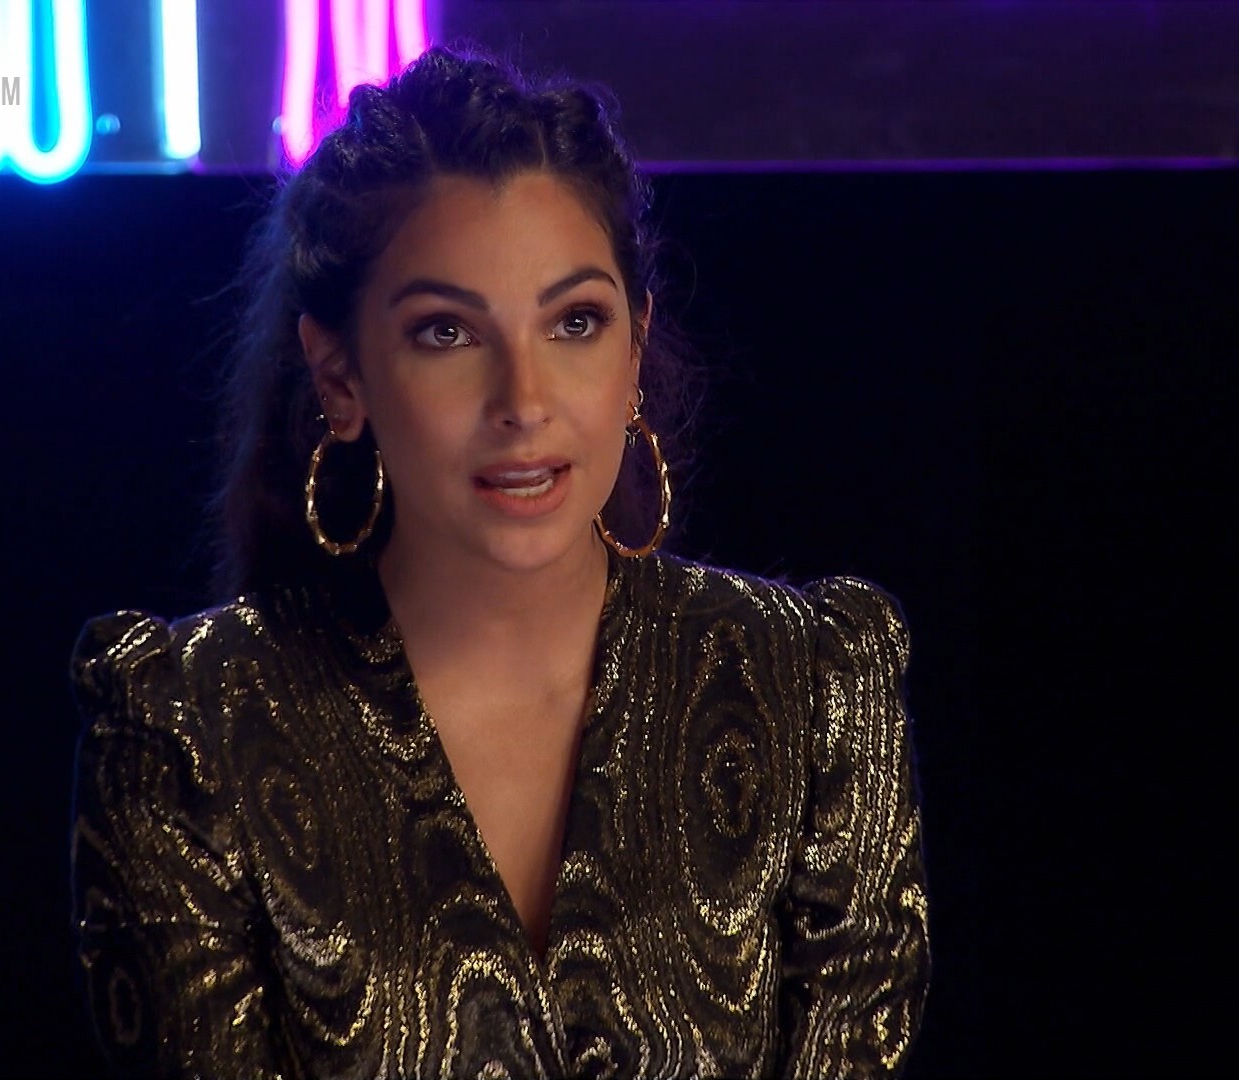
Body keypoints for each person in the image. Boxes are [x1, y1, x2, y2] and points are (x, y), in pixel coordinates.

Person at [68, 42, 930, 1079]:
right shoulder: (187, 726)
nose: (524, 401)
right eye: (446, 334)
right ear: (340, 378)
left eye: (575, 323)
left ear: (633, 350)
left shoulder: (815, 685)